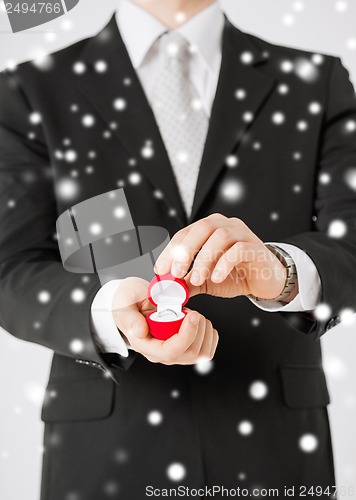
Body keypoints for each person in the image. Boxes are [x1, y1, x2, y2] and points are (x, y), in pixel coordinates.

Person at [0, 0, 355, 498]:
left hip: (273, 449)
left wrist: (278, 269)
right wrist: (108, 312)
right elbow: (10, 272)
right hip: (103, 449)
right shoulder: (29, 89)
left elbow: (352, 247)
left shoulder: (316, 80)